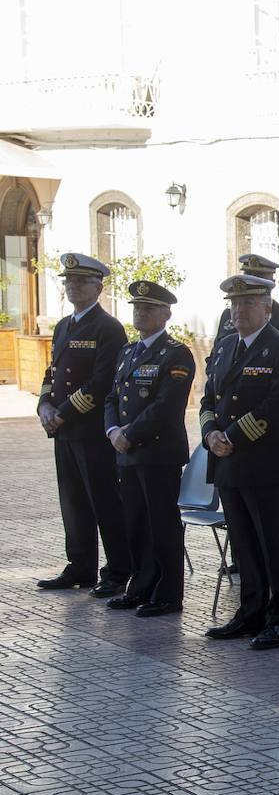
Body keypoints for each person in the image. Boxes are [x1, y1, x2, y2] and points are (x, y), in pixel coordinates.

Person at [201, 274, 279, 650]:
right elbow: (207, 399)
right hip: (227, 461)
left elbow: (277, 404)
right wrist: (211, 434)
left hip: (262, 461)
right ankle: (250, 611)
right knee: (243, 543)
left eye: (247, 303)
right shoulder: (227, 346)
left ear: (267, 308)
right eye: (234, 304)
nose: (239, 310)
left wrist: (232, 437)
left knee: (271, 543)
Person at [36, 253, 132, 596]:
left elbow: (103, 381)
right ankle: (80, 565)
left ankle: (119, 569)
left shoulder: (108, 328)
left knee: (104, 500)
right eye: (69, 282)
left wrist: (63, 411)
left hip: (91, 430)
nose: (73, 287)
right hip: (63, 429)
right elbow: (52, 373)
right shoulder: (64, 326)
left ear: (99, 287)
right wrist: (44, 404)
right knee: (73, 501)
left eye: (81, 281)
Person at [101, 280, 194, 617]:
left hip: (157, 453)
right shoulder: (128, 351)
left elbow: (166, 406)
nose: (141, 313)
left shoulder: (176, 353)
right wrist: (113, 431)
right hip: (126, 450)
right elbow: (112, 397)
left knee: (161, 524)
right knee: (136, 523)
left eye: (149, 308)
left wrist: (130, 434)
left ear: (166, 314)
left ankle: (168, 593)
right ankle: (140, 587)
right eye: (137, 308)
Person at [214, 253, 279, 344]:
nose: (252, 281)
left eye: (260, 277)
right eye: (248, 275)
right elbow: (216, 354)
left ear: (273, 282)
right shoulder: (228, 315)